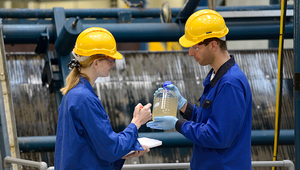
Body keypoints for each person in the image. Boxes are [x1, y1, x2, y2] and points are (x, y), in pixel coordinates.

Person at [147, 9, 252, 170]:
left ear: (214, 45)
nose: (190, 52)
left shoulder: (230, 83)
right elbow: (208, 122)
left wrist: (178, 124)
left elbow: (218, 135)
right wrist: (182, 105)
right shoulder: (215, 77)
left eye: (195, 47)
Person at [54, 27, 152, 170]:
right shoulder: (85, 99)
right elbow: (111, 148)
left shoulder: (73, 94)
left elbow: (90, 148)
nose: (113, 64)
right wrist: (137, 122)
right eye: (110, 59)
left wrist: (123, 154)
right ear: (96, 63)